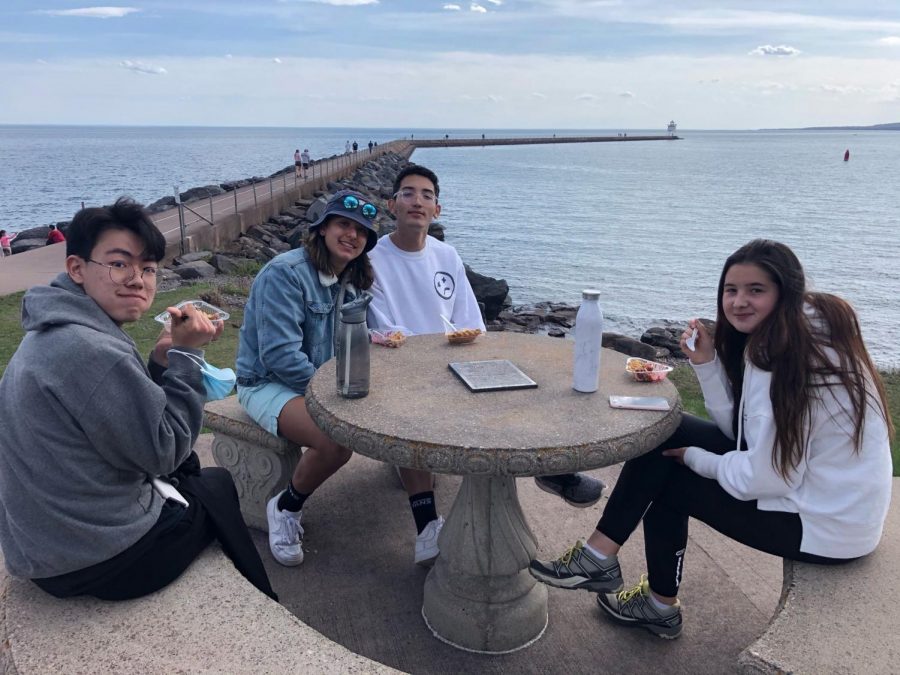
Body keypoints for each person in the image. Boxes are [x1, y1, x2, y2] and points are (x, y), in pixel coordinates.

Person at [529, 239, 893, 640]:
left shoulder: (785, 359)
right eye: (731, 290)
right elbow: (740, 434)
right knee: (670, 427)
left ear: (785, 293)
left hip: (824, 526)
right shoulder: (801, 335)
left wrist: (698, 460)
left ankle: (630, 583)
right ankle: (610, 566)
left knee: (668, 477)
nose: (738, 302)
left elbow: (764, 479)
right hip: (831, 504)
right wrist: (705, 364)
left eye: (756, 290)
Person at [0, 197, 276, 602]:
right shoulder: (90, 349)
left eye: (147, 268)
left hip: (42, 547)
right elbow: (164, 451)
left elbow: (116, 417)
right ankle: (259, 599)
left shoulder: (54, 330)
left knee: (194, 475)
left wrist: (161, 362)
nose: (137, 279)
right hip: (100, 560)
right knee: (216, 486)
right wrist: (187, 356)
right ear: (76, 268)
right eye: (119, 263)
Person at [367, 165, 605, 565]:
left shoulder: (447, 255)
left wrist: (473, 355)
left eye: (427, 195)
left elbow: (468, 319)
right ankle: (427, 526)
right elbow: (386, 328)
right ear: (392, 204)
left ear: (437, 209)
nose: (417, 201)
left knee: (519, 386)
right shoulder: (373, 259)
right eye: (408, 193)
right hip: (403, 368)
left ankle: (553, 471)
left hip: (453, 356)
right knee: (416, 419)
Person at [235, 190, 379, 568]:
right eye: (343, 224)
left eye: (361, 231)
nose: (352, 235)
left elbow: (354, 338)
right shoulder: (286, 274)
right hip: (266, 383)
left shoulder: (350, 277)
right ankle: (285, 507)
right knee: (335, 440)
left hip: (317, 382)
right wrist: (333, 395)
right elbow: (280, 356)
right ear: (322, 229)